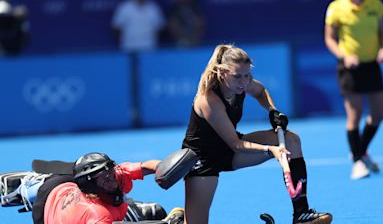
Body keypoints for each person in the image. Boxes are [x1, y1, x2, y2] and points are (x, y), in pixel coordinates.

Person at [181, 44, 333, 224]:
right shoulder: (209, 100)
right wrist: (271, 150)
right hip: (202, 160)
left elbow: (261, 92)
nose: (243, 82)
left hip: (230, 150)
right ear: (222, 73)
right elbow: (235, 144)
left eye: (247, 76)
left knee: (291, 140)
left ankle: (301, 214)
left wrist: (273, 111)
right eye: (237, 76)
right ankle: (175, 219)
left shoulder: (242, 84)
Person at [324, 0, 383, 180]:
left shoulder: (375, 4)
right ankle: (357, 162)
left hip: (372, 66)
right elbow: (329, 39)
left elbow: (382, 34)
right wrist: (344, 56)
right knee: (355, 116)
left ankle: (360, 151)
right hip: (349, 68)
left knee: (378, 114)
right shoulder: (336, 7)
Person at [34, 152, 183, 224]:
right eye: (104, 177)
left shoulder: (116, 176)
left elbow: (145, 166)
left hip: (60, 189)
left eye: (110, 172)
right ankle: (30, 185)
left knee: (155, 212)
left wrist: (166, 168)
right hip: (46, 201)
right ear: (91, 185)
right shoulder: (97, 213)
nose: (112, 179)